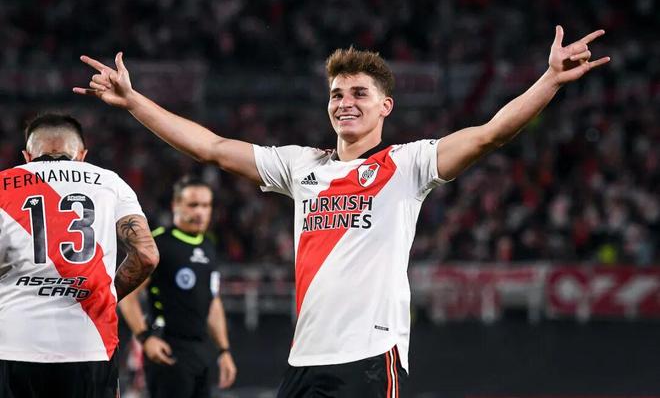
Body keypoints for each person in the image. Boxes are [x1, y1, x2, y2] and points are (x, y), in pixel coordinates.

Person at [75, 25, 609, 397]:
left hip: (370, 356)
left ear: (385, 106)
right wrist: (135, 101)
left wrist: (549, 80)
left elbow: (490, 134)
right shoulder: (301, 166)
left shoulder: (408, 164)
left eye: (359, 93)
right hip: (304, 358)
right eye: (336, 94)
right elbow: (211, 147)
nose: (345, 102)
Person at [0, 113, 159, 398]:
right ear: (82, 155)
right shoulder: (110, 182)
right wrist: (107, 294)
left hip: (14, 344)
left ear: (27, 156)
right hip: (90, 344)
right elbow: (146, 255)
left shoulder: (3, 183)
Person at [119, 175, 237, 397]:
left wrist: (224, 350)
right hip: (167, 348)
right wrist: (145, 338)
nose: (200, 212)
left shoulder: (208, 245)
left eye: (206, 205)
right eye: (193, 205)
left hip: (201, 351)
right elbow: (127, 295)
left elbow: (213, 301)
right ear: (176, 205)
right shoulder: (158, 244)